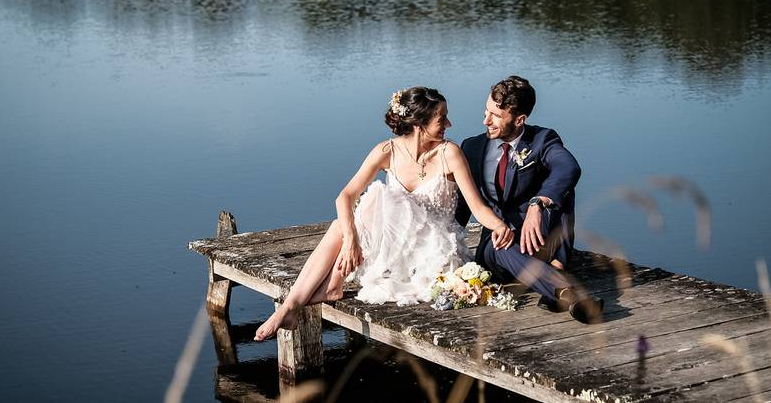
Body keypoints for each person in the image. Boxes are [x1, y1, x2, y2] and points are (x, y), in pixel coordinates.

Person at [254, 87, 515, 341]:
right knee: (342, 224)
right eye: (441, 117)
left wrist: (500, 226)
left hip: (432, 253)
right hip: (393, 249)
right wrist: (351, 240)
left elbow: (478, 207)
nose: (449, 123)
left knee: (383, 197)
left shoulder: (450, 153)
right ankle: (293, 304)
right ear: (418, 124)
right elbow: (344, 196)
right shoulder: (387, 151)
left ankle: (326, 287)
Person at [454, 76, 603, 324]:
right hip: (497, 244)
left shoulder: (542, 140)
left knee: (561, 187)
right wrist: (444, 246)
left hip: (538, 237)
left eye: (495, 116)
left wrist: (538, 202)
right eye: (485, 112)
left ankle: (555, 268)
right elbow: (462, 207)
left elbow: (569, 168)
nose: (485, 121)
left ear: (519, 119)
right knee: (499, 245)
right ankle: (566, 290)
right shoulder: (471, 148)